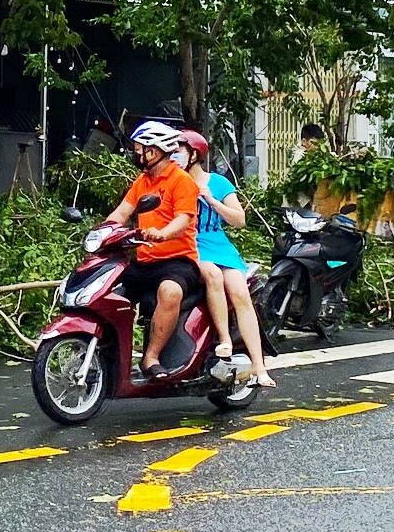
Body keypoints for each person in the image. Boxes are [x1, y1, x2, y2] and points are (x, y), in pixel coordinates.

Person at [101, 120, 204, 385]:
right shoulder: (142, 181)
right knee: (107, 293)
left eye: (141, 148)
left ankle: (151, 358)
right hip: (144, 259)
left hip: (178, 261)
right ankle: (103, 356)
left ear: (157, 150)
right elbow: (123, 212)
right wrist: (102, 232)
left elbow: (183, 219)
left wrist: (163, 233)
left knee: (170, 291)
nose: (136, 154)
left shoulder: (182, 181)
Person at [186, 127, 270, 390]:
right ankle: (224, 340)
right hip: (191, 244)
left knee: (240, 291)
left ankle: (259, 366)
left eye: (178, 150)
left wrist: (210, 199)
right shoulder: (173, 182)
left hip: (219, 245)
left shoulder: (218, 183)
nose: (172, 155)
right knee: (211, 275)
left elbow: (239, 219)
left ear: (193, 155)